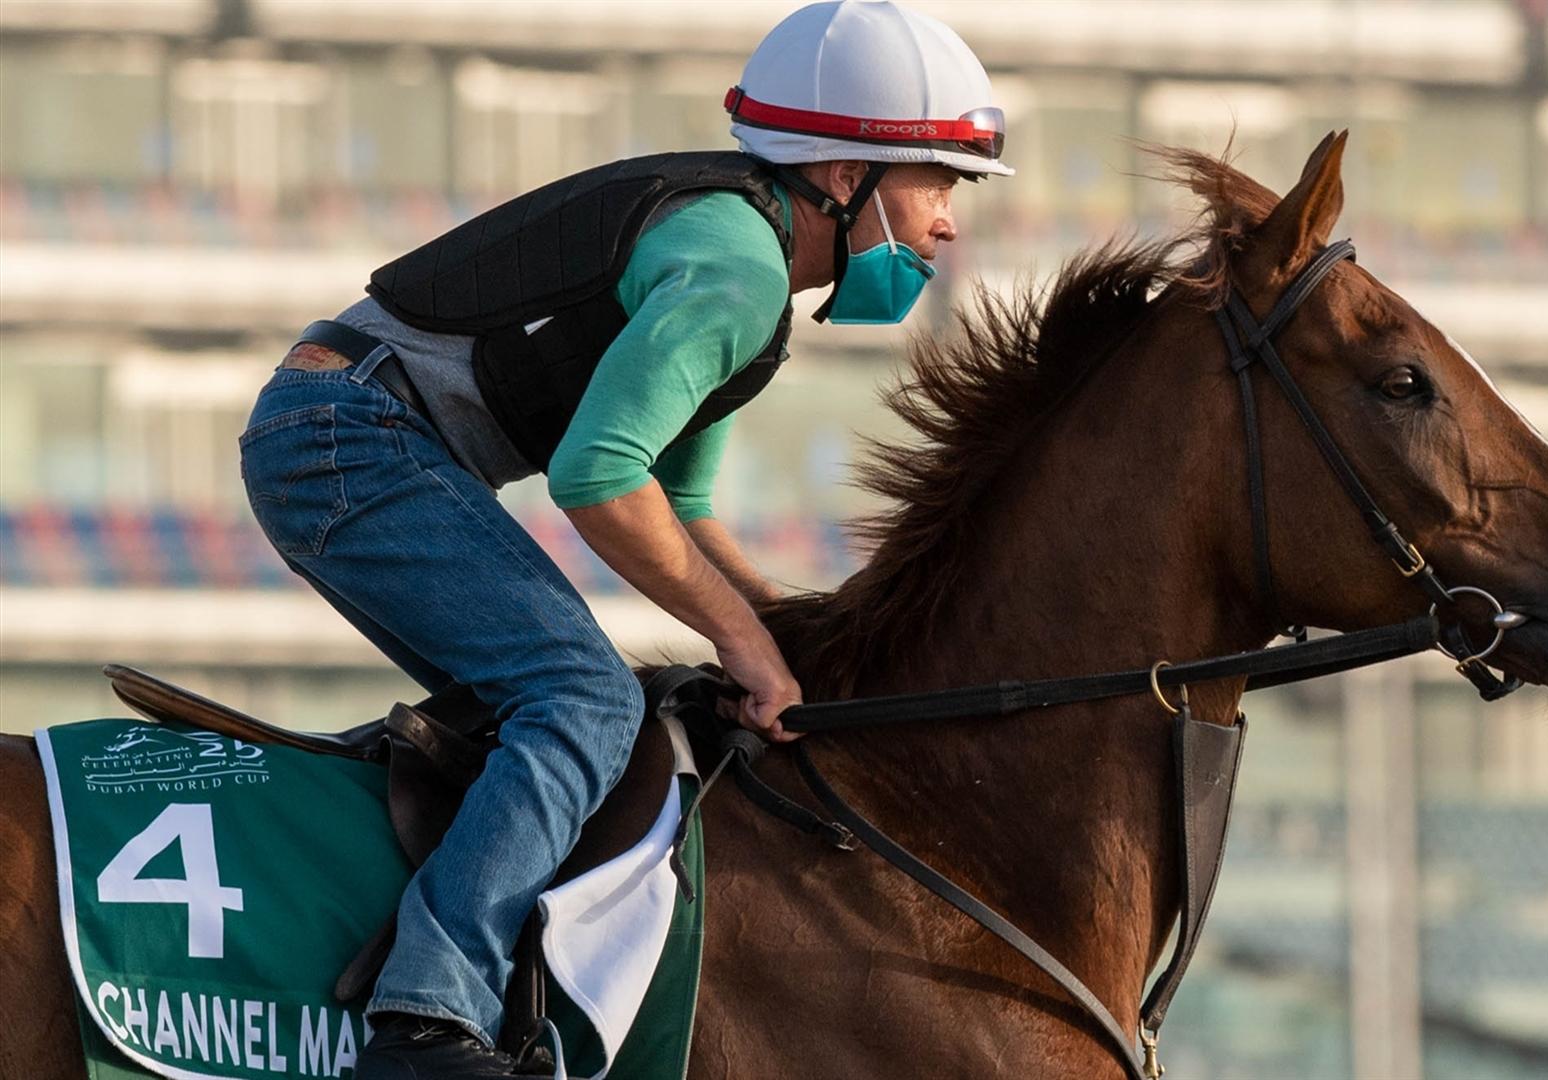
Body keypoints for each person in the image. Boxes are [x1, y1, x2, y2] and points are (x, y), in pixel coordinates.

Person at [235, 2, 1011, 1075]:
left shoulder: (746, 266)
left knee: (566, 704)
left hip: (348, 432)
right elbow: (599, 481)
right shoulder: (737, 273)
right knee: (585, 700)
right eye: (939, 183)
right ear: (846, 176)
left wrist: (788, 628)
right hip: (347, 438)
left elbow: (677, 508)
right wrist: (743, 642)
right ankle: (425, 1019)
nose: (949, 223)